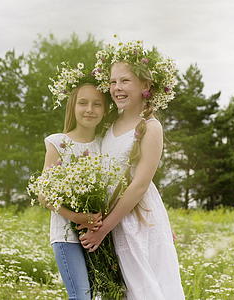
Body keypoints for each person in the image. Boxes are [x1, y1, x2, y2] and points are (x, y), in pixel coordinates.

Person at [79, 41, 185, 299]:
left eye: (125, 81)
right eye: (113, 82)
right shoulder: (109, 124)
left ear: (145, 86)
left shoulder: (150, 127)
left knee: (143, 287)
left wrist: (103, 229)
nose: (117, 88)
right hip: (113, 216)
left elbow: (139, 185)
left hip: (136, 219)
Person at [40, 82, 109, 300]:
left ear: (105, 109)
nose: (90, 109)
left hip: (99, 233)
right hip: (67, 235)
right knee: (81, 295)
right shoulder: (58, 143)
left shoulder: (105, 144)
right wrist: (76, 217)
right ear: (72, 106)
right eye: (83, 103)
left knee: (102, 294)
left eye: (97, 104)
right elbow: (44, 194)